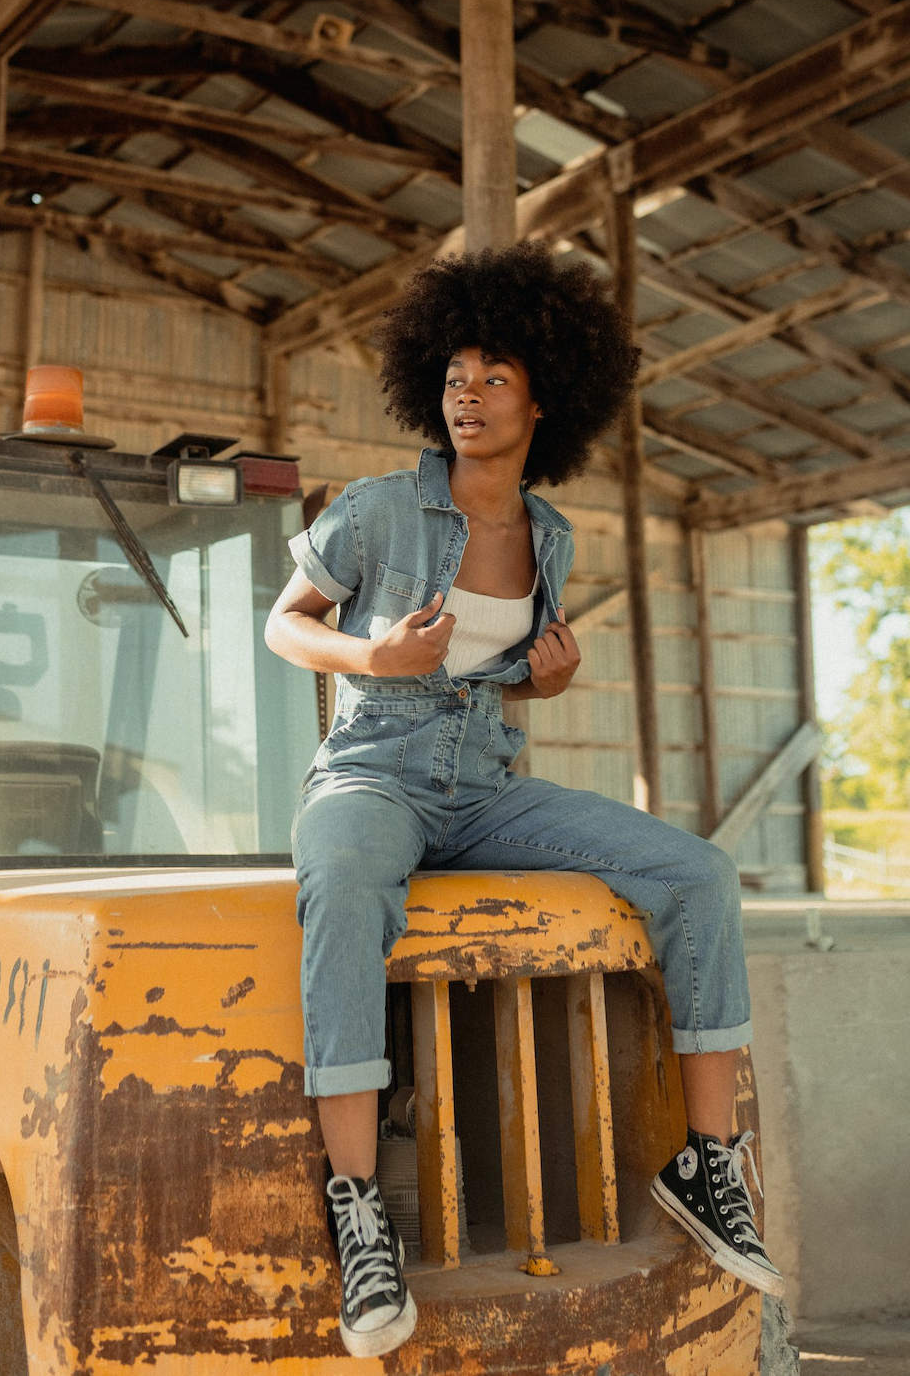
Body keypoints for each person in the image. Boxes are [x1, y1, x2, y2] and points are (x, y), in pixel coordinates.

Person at [264, 240, 783, 1359]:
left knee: (696, 872)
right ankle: (358, 1207)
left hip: (488, 787)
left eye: (495, 374)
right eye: (455, 372)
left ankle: (706, 1159)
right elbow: (283, 622)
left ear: (545, 399)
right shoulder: (374, 510)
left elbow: (505, 678)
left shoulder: (550, 537)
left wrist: (547, 680)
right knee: (344, 874)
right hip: (373, 774)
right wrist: (370, 660)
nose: (467, 391)